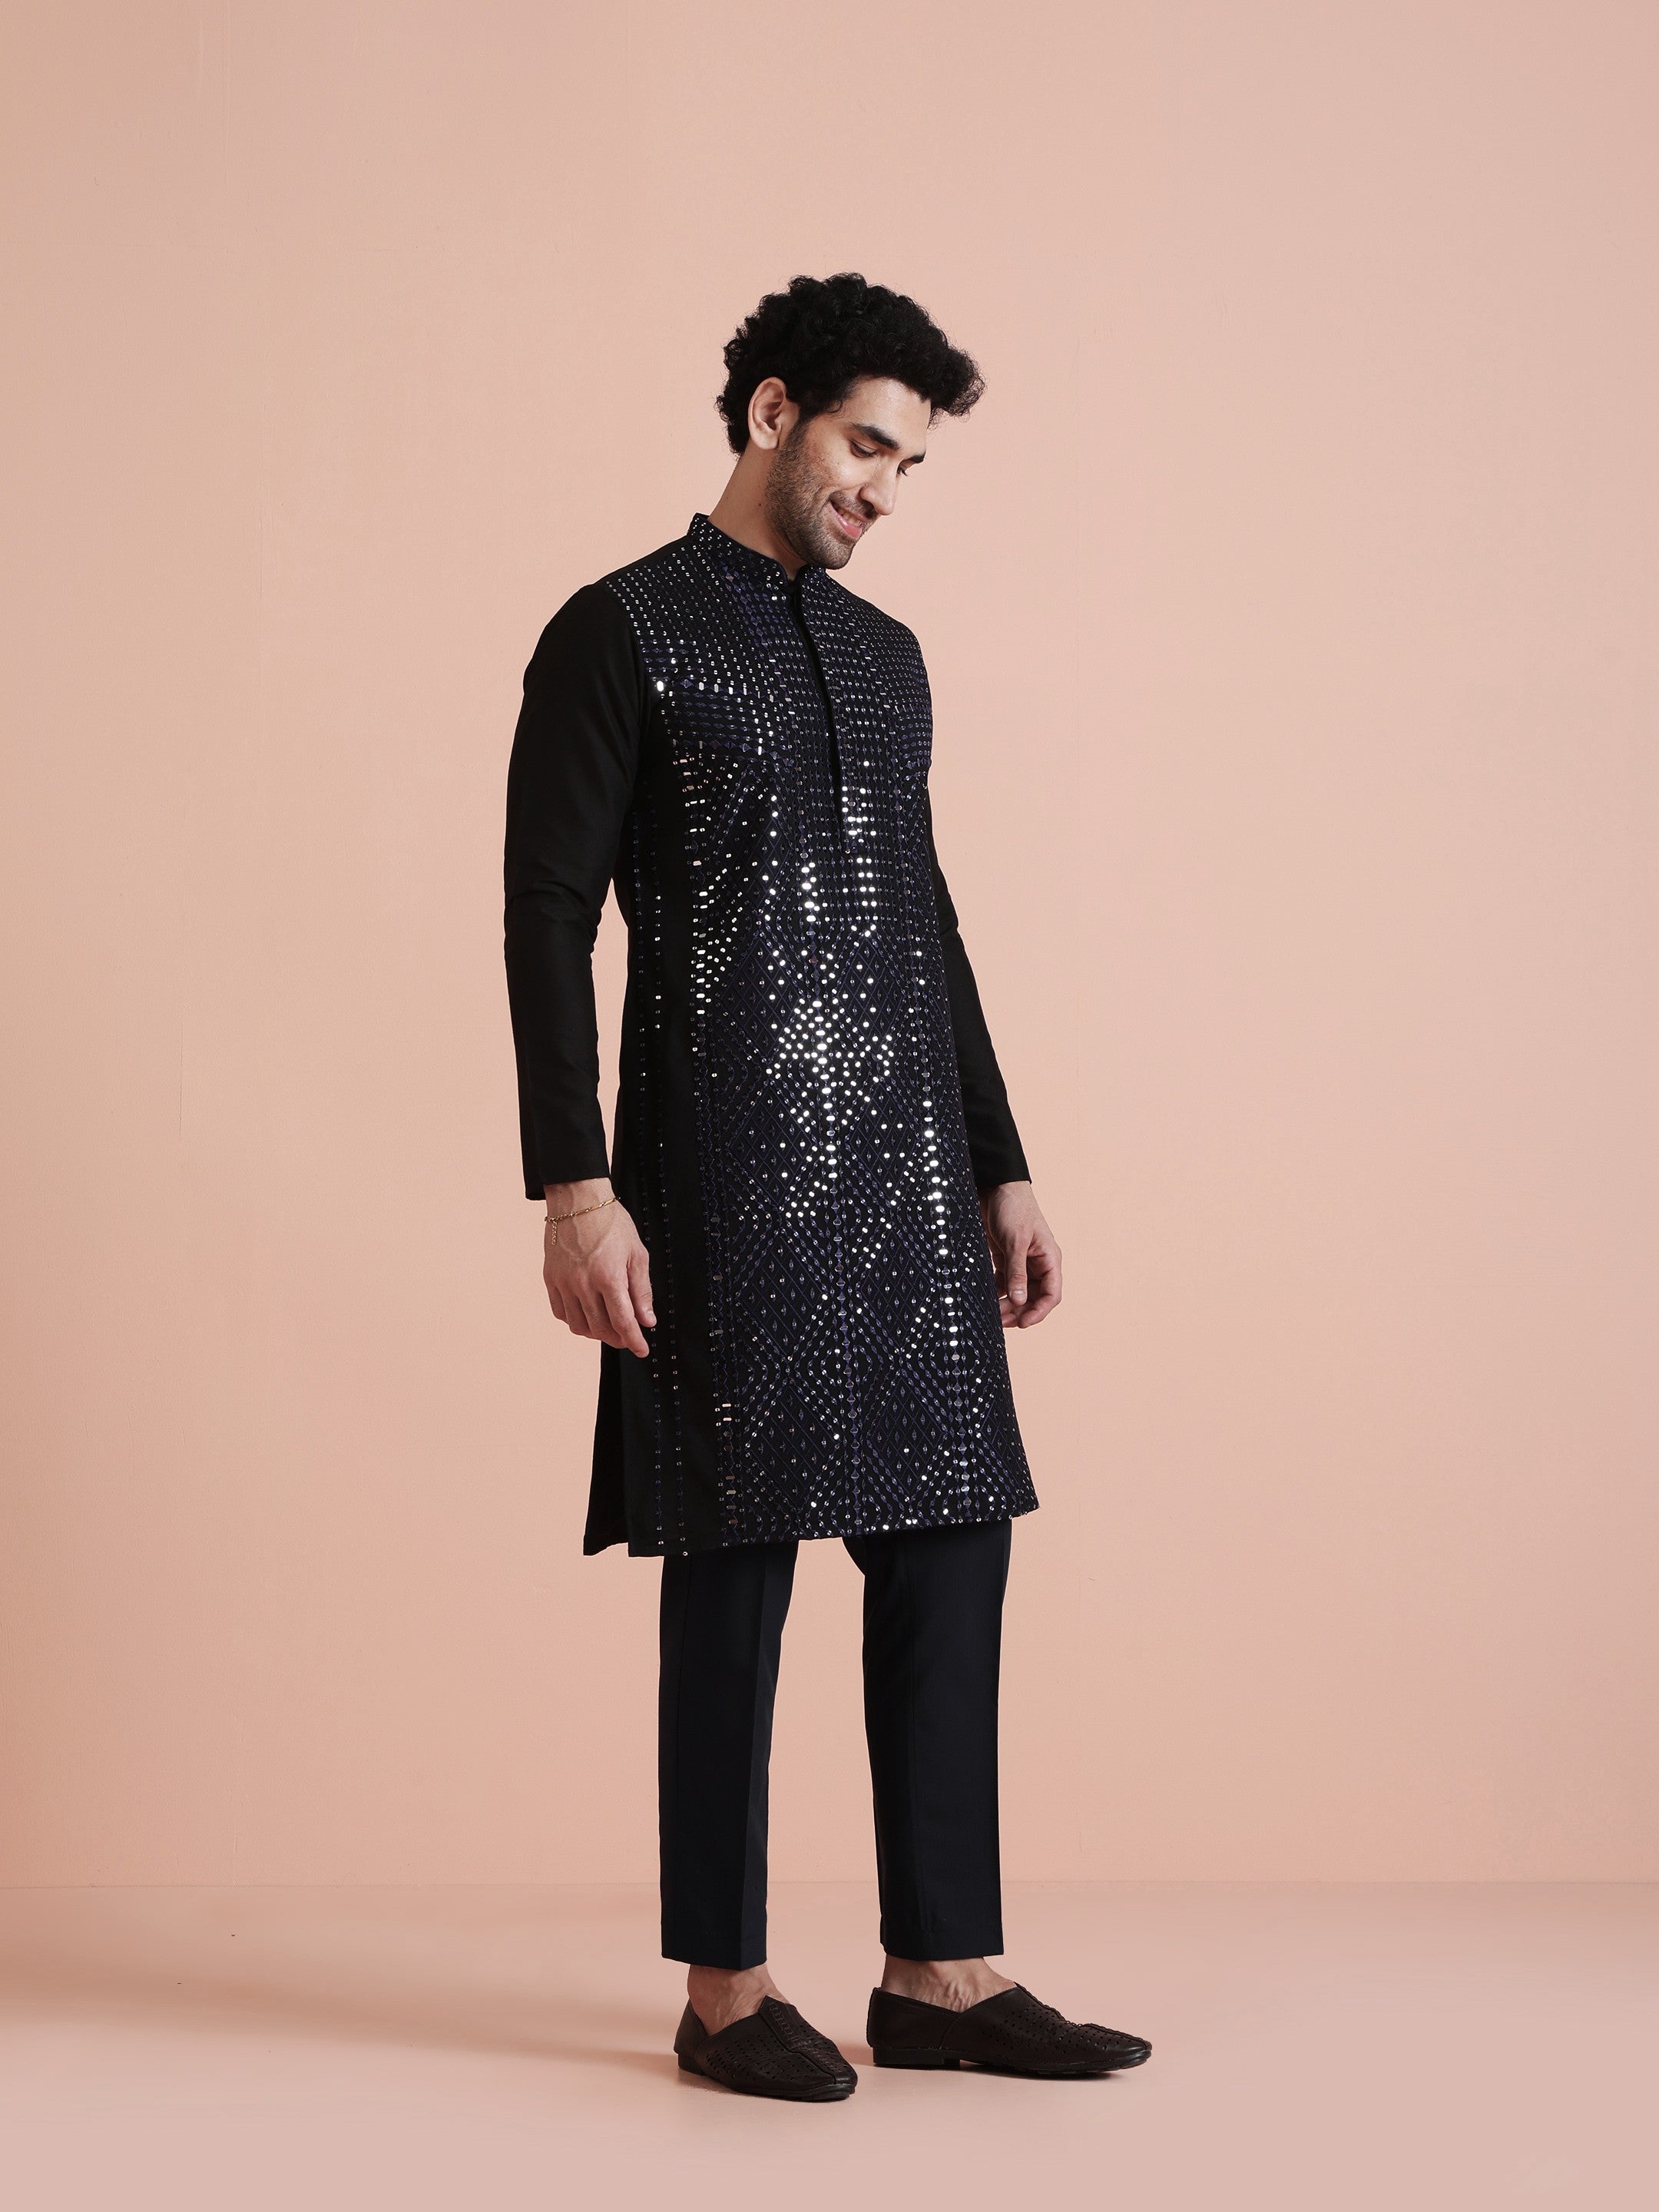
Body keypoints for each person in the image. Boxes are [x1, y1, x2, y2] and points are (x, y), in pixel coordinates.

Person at [503, 273, 1151, 2101]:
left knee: (953, 1535)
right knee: (735, 1558)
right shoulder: (618, 631)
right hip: (719, 1168)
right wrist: (574, 1185)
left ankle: (942, 1971)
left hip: (907, 1177)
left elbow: (922, 921)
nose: (883, 488)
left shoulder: (887, 659)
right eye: (868, 445)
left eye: (910, 466)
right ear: (773, 411)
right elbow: (546, 909)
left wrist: (1001, 1163)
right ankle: (725, 1990)